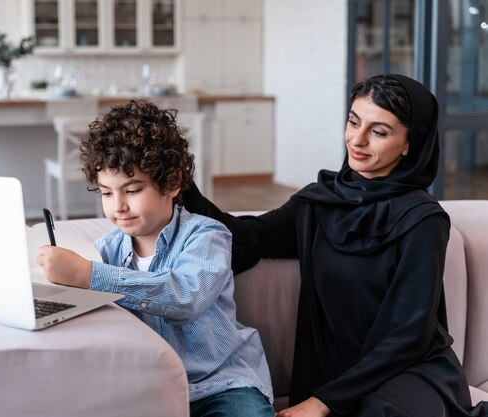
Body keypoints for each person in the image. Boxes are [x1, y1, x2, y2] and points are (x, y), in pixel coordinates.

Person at [182, 74, 488, 417]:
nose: (357, 140)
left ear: (408, 145)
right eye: (354, 121)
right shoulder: (320, 202)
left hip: (407, 372)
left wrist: (323, 402)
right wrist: (181, 185)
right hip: (335, 373)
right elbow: (245, 240)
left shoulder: (423, 220)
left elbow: (410, 335)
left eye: (379, 131)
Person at [36, 100, 275, 417]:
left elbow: (186, 296)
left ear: (173, 182)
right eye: (107, 193)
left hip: (221, 386)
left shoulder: (206, 236)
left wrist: (88, 276)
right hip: (148, 388)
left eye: (132, 190)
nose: (117, 206)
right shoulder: (105, 250)